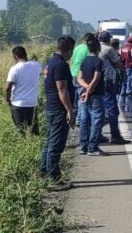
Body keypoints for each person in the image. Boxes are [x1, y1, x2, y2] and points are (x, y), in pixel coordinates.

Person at [41, 36, 76, 192]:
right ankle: (54, 178)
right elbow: (62, 89)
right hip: (58, 109)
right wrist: (69, 110)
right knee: (56, 144)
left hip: (51, 106)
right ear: (69, 50)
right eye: (72, 51)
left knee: (49, 142)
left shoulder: (50, 62)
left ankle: (44, 171)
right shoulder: (61, 65)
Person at [98, 32, 131, 144]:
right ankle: (115, 135)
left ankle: (96, 133)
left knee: (99, 108)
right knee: (112, 109)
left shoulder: (94, 48)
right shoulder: (109, 49)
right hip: (108, 80)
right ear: (108, 40)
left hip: (96, 81)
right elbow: (118, 64)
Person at [76, 38, 108, 156]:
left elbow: (79, 78)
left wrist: (86, 89)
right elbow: (96, 79)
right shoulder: (98, 61)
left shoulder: (85, 60)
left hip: (85, 94)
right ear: (98, 48)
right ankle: (93, 147)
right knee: (96, 120)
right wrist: (89, 90)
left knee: (84, 120)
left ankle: (83, 146)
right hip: (94, 95)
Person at [4, 46, 42, 135]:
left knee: (20, 130)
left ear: (15, 57)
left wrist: (7, 100)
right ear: (26, 54)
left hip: (18, 104)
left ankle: (24, 144)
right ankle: (35, 145)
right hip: (33, 103)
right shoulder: (36, 65)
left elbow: (7, 87)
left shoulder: (14, 69)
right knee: (33, 129)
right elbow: (42, 74)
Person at [71, 33, 95, 125]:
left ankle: (74, 115)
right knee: (82, 96)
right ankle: (79, 118)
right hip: (81, 75)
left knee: (75, 97)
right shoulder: (88, 49)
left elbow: (72, 61)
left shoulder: (77, 48)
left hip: (73, 73)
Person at [119, 36, 132, 110]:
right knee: (131, 78)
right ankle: (129, 90)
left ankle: (123, 91)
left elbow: (121, 56)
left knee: (124, 78)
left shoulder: (123, 47)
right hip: (130, 65)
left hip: (123, 65)